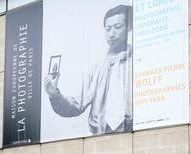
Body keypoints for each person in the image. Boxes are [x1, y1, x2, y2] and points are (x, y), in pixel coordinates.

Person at [44, 4, 132, 135]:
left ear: (129, 27)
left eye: (117, 27)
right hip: (99, 138)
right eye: (108, 29)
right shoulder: (96, 68)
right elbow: (75, 106)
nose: (111, 34)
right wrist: (54, 94)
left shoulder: (139, 62)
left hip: (133, 134)